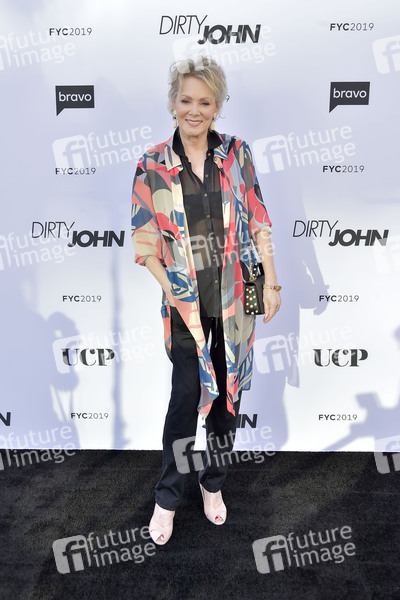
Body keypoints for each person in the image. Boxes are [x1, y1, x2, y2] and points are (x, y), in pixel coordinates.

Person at [131, 56, 281, 545]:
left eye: (205, 102)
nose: (194, 110)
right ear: (173, 103)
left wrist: (272, 282)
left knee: (228, 400)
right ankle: (167, 498)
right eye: (186, 100)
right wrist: (170, 288)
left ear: (217, 106)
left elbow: (259, 220)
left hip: (236, 298)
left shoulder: (237, 153)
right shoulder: (152, 164)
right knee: (184, 401)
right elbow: (145, 242)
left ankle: (212, 484)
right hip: (185, 307)